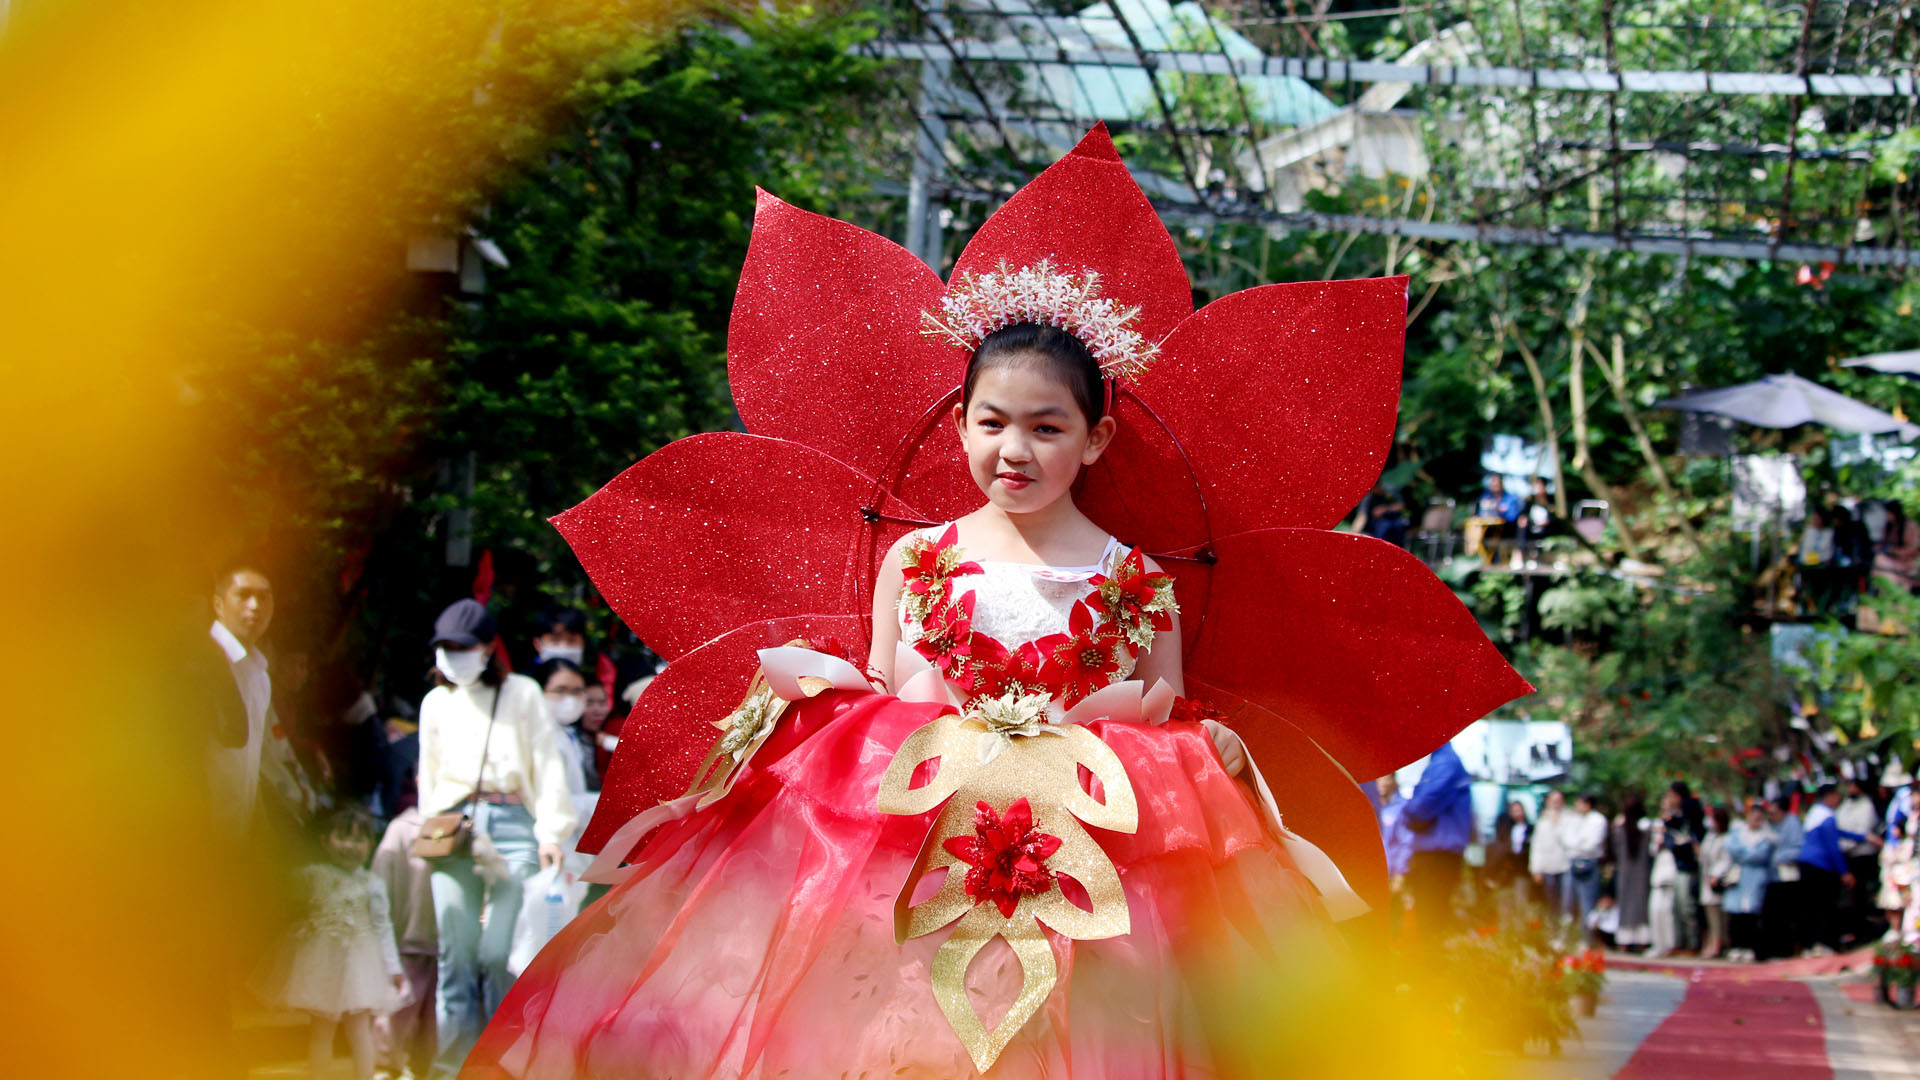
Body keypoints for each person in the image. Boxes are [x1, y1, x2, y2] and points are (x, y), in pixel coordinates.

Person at [465, 315, 1390, 1075]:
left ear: (1095, 437)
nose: (1014, 449)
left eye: (1046, 426)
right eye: (991, 423)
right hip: (907, 861)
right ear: (960, 425)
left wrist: (1195, 752)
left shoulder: (1138, 581)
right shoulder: (919, 557)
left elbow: (1165, 721)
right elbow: (878, 695)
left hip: (1088, 868)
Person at [419, 599, 577, 1078]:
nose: (454, 655)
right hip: (453, 826)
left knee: (498, 952)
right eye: (446, 648)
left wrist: (551, 830)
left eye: (463, 647)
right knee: (456, 950)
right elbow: (429, 775)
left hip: (512, 825)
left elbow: (547, 764)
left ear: (488, 648)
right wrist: (431, 832)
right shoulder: (435, 702)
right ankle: (454, 1066)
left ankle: (497, 1062)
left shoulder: (522, 693)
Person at [252, 808, 405, 1080]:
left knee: (359, 1030)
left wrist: (392, 967)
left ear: (371, 845)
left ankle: (364, 1076)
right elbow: (279, 889)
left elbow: (383, 927)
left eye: (359, 840)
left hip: (359, 966)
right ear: (325, 841)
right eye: (342, 838)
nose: (350, 846)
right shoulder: (313, 876)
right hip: (322, 964)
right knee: (321, 1031)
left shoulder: (372, 884)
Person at [202, 562, 275, 834]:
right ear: (218, 605)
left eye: (264, 596)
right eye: (244, 595)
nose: (255, 605)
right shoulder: (201, 664)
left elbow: (250, 764)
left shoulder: (260, 676)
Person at [372, 807, 439, 1080]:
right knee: (395, 1017)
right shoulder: (402, 828)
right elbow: (380, 884)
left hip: (447, 949)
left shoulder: (469, 823)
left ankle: (421, 1069)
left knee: (433, 1028)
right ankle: (385, 1067)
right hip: (407, 942)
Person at [1403, 740, 1473, 943]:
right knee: (1432, 917)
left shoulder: (1445, 762)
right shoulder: (1444, 761)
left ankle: (1430, 970)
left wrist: (1406, 813)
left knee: (1430, 918)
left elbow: (1423, 805)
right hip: (1438, 853)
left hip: (1436, 854)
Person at [1799, 782, 1865, 955]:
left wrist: (1863, 836)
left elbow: (1838, 833)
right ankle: (1824, 943)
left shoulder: (1814, 812)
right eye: (1837, 796)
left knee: (1811, 906)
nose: (1839, 799)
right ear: (1829, 796)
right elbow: (1833, 846)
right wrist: (1845, 872)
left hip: (1806, 863)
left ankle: (1810, 945)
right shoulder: (1827, 815)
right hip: (1820, 866)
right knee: (1825, 906)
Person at [1724, 802, 1777, 962]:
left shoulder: (1767, 837)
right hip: (1739, 876)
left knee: (1752, 914)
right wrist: (1748, 853)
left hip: (1756, 877)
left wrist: (1744, 854)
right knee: (1736, 913)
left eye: (1759, 817)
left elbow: (1760, 855)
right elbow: (1732, 849)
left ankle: (1750, 947)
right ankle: (1736, 946)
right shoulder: (1737, 833)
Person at [1837, 778, 1884, 943]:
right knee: (1851, 896)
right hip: (1847, 856)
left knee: (1862, 893)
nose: (1850, 789)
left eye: (1853, 786)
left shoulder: (1867, 805)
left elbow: (1864, 831)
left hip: (1863, 855)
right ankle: (1854, 930)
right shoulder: (1844, 806)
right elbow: (1839, 827)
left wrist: (1848, 844)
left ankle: (1865, 930)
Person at [1658, 786, 1702, 953]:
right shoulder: (1673, 820)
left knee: (1688, 908)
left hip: (1689, 868)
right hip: (1678, 866)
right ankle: (1679, 942)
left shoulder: (1691, 818)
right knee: (1675, 908)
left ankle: (1692, 944)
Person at [1764, 796, 1807, 959]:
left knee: (1789, 914)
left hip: (1788, 875)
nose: (1771, 814)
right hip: (1773, 876)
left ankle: (1789, 950)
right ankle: (1775, 949)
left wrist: (1780, 857)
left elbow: (1799, 847)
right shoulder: (1771, 825)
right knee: (1773, 915)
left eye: (1773, 811)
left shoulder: (1792, 823)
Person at [1563, 793, 1609, 936]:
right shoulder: (1573, 819)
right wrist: (1579, 842)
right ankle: (1566, 938)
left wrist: (1576, 843)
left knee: (1587, 904)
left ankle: (1586, 939)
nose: (1577, 806)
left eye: (1579, 803)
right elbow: (1566, 840)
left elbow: (1592, 844)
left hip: (1589, 864)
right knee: (1567, 903)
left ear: (1587, 804)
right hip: (1572, 862)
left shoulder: (1598, 820)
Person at [1612, 795, 1654, 950]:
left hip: (1625, 874)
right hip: (1642, 874)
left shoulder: (1619, 830)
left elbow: (1614, 851)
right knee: (1641, 904)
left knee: (1626, 904)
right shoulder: (1647, 830)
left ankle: (1625, 941)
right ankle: (1643, 941)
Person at [1375, 773, 1414, 937]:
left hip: (1391, 873)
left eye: (1386, 778)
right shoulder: (1369, 804)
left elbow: (1405, 842)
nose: (1382, 782)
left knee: (1393, 913)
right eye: (1379, 778)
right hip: (1371, 872)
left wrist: (1399, 874)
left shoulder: (1401, 807)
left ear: (1394, 781)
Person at [1529, 789, 1571, 916]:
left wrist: (1557, 822)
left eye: (1559, 801)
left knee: (1567, 902)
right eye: (1553, 801)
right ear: (1548, 802)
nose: (1556, 804)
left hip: (1566, 866)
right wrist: (1536, 869)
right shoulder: (1542, 822)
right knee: (1552, 903)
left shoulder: (1570, 819)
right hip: (1548, 868)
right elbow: (1537, 846)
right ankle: (1553, 930)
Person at [1699, 806, 1733, 958]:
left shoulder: (1727, 838)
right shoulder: (1710, 837)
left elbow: (1726, 860)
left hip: (1718, 881)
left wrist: (1716, 874)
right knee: (1710, 915)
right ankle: (1712, 942)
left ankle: (1719, 944)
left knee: (1720, 916)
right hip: (1706, 879)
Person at [1487, 798, 1533, 904]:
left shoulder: (1530, 829)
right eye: (1514, 811)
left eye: (1519, 810)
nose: (1517, 813)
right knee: (1505, 899)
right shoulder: (1505, 829)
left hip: (1523, 869)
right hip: (1507, 869)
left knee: (1521, 899)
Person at [1647, 819, 1679, 957]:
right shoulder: (1656, 844)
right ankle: (1658, 944)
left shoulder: (1672, 840)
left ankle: (1669, 945)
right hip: (1657, 882)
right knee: (1655, 911)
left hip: (1669, 882)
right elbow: (1652, 851)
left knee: (1667, 914)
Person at [1873, 501, 1920, 592]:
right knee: (1877, 561)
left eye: (1887, 513)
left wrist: (1893, 550)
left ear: (1894, 513)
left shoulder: (1909, 526)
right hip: (1892, 559)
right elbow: (1884, 543)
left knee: (1879, 560)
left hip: (1906, 562)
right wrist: (1879, 547)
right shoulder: (1889, 526)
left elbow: (1912, 549)